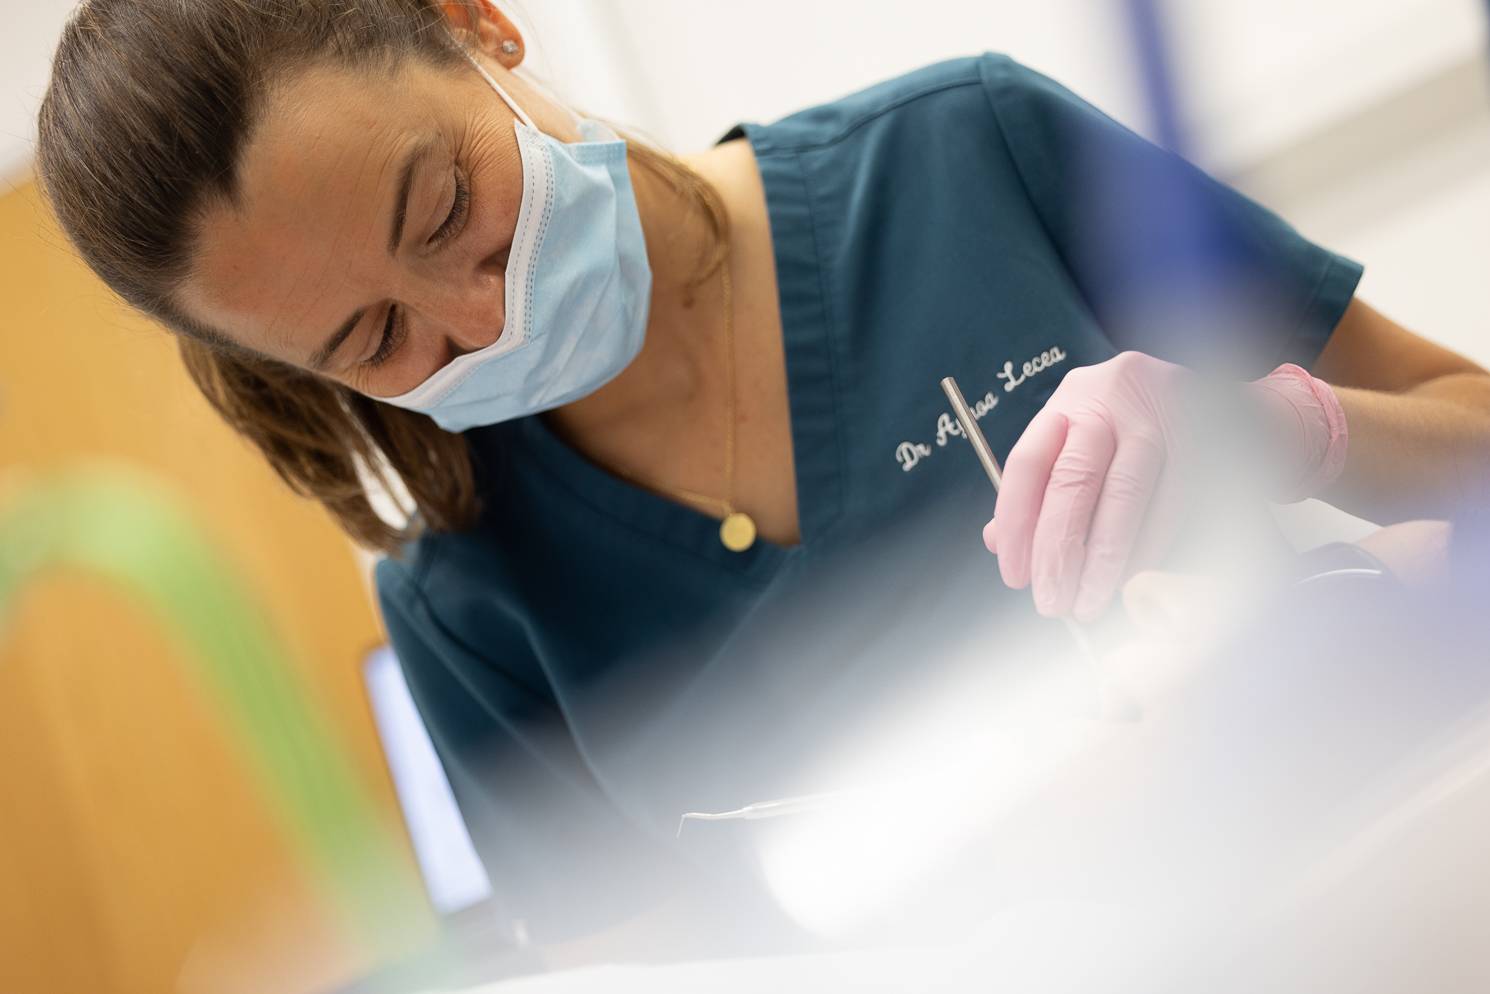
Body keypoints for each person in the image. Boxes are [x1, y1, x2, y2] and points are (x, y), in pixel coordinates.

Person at [36, 0, 1490, 949]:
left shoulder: (966, 154)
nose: (479, 315)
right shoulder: (468, 614)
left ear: (479, 26)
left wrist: (1286, 428)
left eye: (447, 205)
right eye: (373, 339)